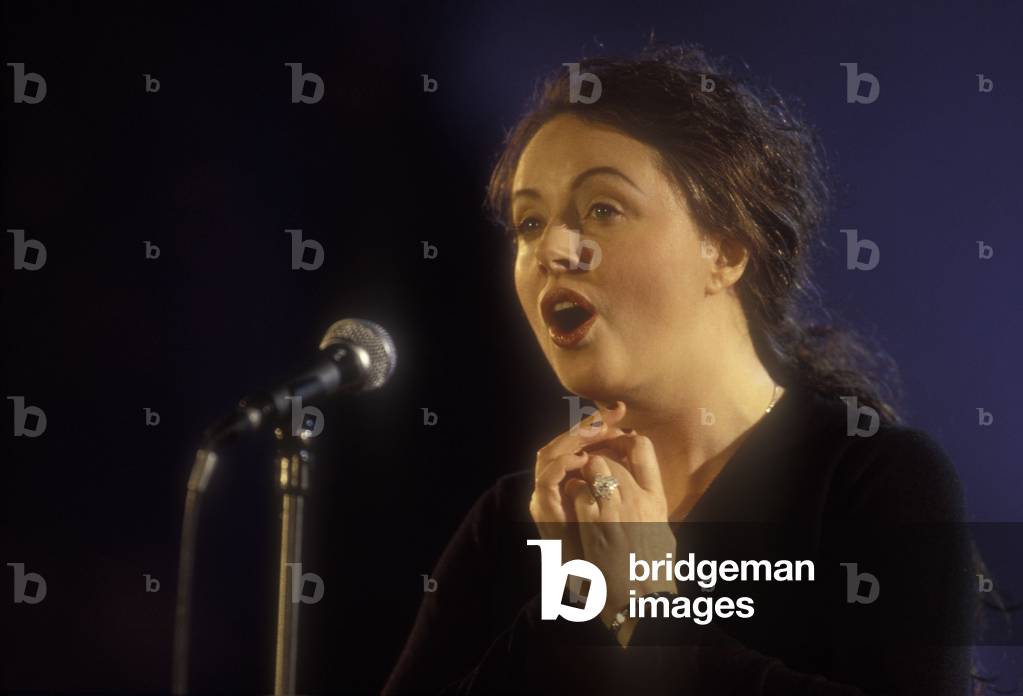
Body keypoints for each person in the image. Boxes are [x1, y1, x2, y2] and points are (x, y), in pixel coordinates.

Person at [384, 45, 977, 694]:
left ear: (724, 248)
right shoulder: (511, 521)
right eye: (528, 222)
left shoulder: (873, 481)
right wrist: (578, 598)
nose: (550, 248)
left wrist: (651, 615)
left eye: (602, 208)